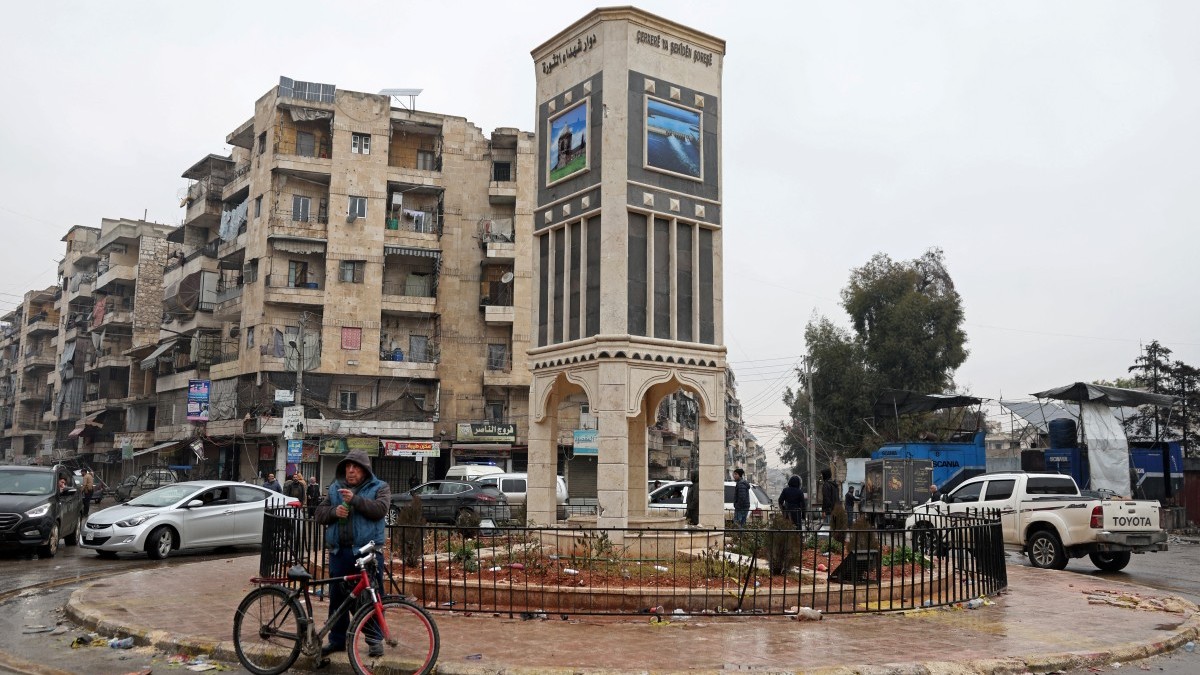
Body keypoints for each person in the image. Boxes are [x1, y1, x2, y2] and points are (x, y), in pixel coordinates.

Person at [314, 449, 391, 657]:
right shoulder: (335, 488)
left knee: (372, 597)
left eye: (355, 467)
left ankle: (374, 640)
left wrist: (355, 500)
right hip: (340, 552)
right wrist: (334, 512)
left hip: (366, 554)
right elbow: (319, 513)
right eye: (348, 466)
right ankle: (337, 639)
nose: (351, 471)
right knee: (337, 598)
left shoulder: (380, 487)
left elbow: (380, 509)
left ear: (365, 470)